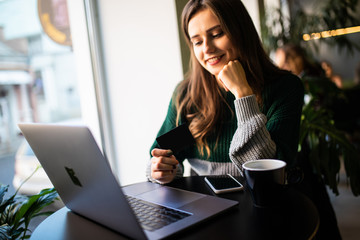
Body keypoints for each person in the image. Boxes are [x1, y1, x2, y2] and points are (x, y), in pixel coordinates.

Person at [147, 1, 339, 238]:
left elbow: (265, 174)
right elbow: (162, 155)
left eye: (217, 34)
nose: (206, 48)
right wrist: (161, 169)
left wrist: (243, 94)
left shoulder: (285, 88)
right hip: (207, 218)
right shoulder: (187, 95)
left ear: (240, 31)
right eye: (197, 41)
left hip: (265, 216)